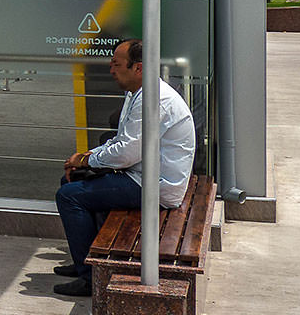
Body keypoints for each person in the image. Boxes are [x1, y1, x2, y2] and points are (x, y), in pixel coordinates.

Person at [52, 37, 197, 296]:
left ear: (138, 68)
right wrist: (85, 157)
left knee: (69, 196)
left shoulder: (153, 99)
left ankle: (89, 279)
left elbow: (126, 154)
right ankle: (85, 260)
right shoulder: (139, 93)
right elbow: (122, 142)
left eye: (116, 64)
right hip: (143, 174)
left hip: (155, 186)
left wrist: (85, 160)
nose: (111, 70)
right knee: (71, 181)